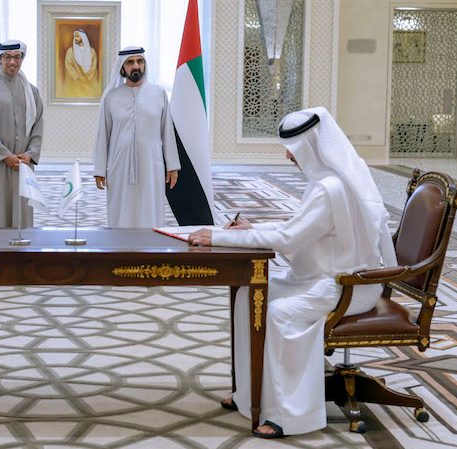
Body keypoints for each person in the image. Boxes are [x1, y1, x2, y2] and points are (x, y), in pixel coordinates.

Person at [188, 107, 397, 438]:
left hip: (347, 285)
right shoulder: (326, 183)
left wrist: (219, 236)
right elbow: (296, 230)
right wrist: (249, 230)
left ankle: (291, 415)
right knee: (247, 297)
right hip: (320, 278)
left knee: (280, 313)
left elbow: (288, 238)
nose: (288, 156)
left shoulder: (331, 188)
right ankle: (250, 396)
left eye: (293, 149)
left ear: (312, 146)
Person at [93, 46, 180, 228]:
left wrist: (172, 165)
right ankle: (119, 250)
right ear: (122, 68)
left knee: (150, 209)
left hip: (151, 164)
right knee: (120, 210)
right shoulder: (112, 97)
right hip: (119, 165)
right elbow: (104, 135)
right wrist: (100, 169)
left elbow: (167, 132)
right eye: (130, 62)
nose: (136, 66)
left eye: (140, 61)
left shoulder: (159, 94)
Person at [0, 40, 44, 228]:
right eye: (7, 57)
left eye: (17, 57)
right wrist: (6, 156)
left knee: (21, 216)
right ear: (0, 59)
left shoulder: (33, 92)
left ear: (22, 59)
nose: (12, 62)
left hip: (22, 164)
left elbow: (38, 127)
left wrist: (30, 154)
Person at [62, 29, 100, 97]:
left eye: (77, 36)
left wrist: (87, 78)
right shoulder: (70, 51)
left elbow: (94, 68)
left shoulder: (92, 51)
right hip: (75, 85)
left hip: (89, 84)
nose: (75, 38)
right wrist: (78, 78)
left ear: (83, 37)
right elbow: (68, 67)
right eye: (75, 36)